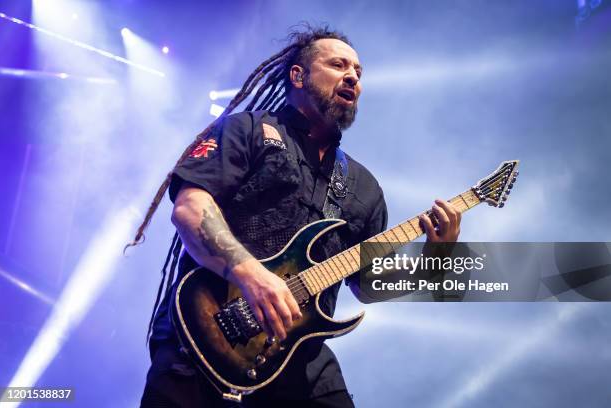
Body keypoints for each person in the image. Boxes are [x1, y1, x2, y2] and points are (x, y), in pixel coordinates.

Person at [133, 25, 461, 408]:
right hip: (206, 334)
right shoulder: (248, 130)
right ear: (298, 76)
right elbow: (190, 208)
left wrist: (435, 259)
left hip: (300, 361)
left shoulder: (363, 187)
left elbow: (367, 286)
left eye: (358, 71)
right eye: (338, 65)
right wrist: (249, 274)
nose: (352, 76)